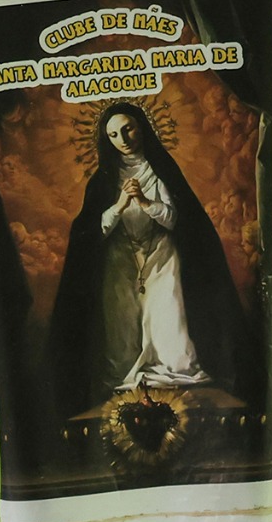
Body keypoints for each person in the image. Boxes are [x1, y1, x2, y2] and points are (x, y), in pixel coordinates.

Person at [47, 102, 243, 416]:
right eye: (114, 135)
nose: (123, 139)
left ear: (142, 128)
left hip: (161, 253)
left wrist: (143, 200)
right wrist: (120, 204)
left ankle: (171, 371)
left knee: (167, 314)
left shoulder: (161, 170)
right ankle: (125, 374)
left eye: (128, 129)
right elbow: (94, 230)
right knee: (122, 320)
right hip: (120, 257)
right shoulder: (103, 180)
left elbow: (174, 219)